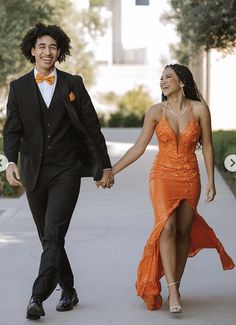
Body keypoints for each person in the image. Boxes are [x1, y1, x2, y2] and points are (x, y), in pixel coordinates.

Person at [3, 23, 114, 320]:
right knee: (48, 238)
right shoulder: (18, 88)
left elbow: (92, 126)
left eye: (53, 47)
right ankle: (69, 289)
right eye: (42, 46)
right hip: (34, 172)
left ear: (59, 51)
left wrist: (104, 165)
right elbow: (11, 131)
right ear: (32, 50)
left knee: (53, 234)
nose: (47, 52)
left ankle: (37, 296)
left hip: (66, 170)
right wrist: (9, 162)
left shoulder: (73, 84)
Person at [112, 64, 235, 313]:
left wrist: (211, 180)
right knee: (166, 227)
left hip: (190, 177)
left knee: (182, 233)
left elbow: (208, 146)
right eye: (161, 78)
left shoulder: (200, 109)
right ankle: (173, 289)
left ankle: (174, 284)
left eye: (168, 77)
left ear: (182, 81)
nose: (163, 81)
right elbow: (139, 147)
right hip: (161, 176)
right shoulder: (155, 112)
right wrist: (112, 171)